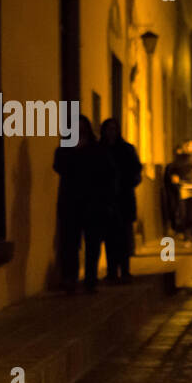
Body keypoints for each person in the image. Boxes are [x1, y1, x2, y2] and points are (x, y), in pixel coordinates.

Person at [53, 115, 119, 293]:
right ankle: (70, 279)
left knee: (92, 244)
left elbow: (108, 173)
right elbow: (59, 166)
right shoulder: (65, 149)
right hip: (71, 204)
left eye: (82, 129)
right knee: (70, 243)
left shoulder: (97, 150)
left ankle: (90, 279)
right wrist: (73, 151)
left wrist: (106, 200)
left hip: (93, 204)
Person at [100, 118, 141, 282]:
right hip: (106, 200)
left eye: (114, 129)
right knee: (109, 237)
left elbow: (136, 171)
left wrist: (126, 183)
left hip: (124, 198)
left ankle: (125, 270)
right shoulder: (100, 150)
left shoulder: (126, 149)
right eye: (108, 129)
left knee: (124, 236)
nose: (111, 132)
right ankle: (111, 271)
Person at [169, 139, 192, 244]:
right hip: (184, 187)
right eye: (188, 146)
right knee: (185, 213)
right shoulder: (178, 159)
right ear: (184, 146)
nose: (190, 148)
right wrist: (175, 177)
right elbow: (172, 171)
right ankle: (187, 236)